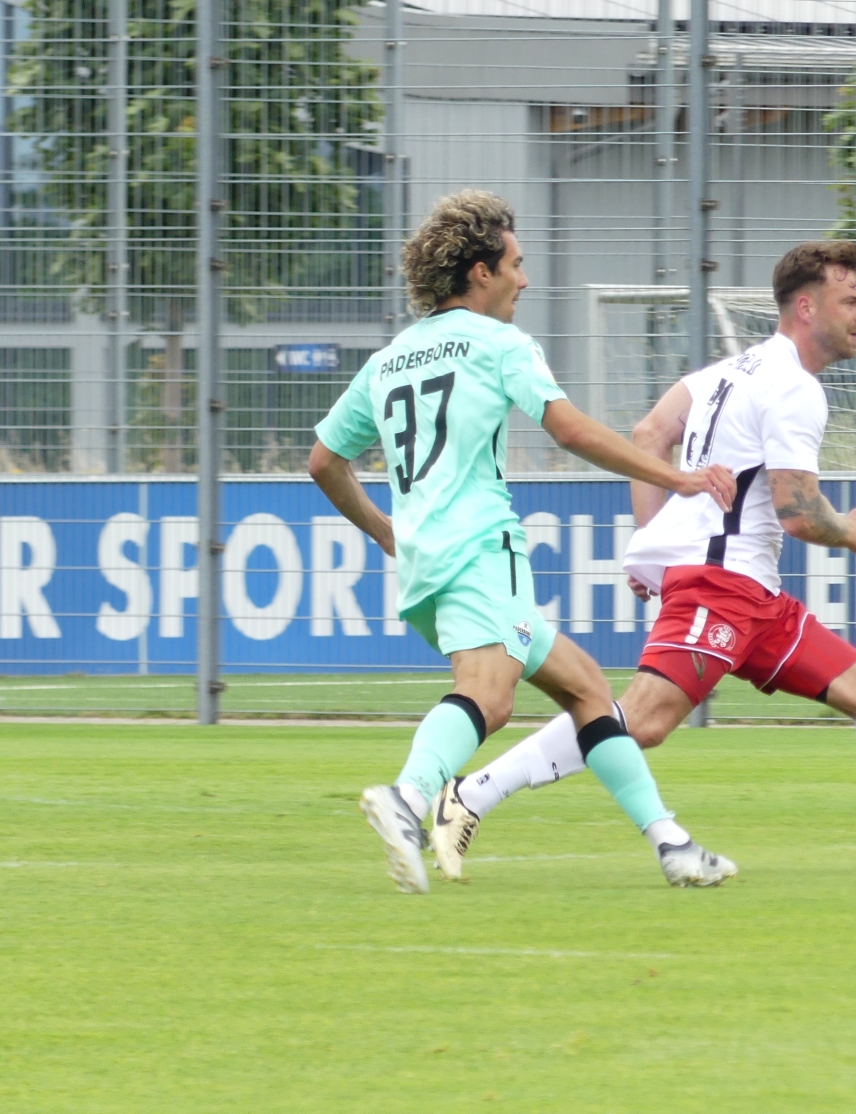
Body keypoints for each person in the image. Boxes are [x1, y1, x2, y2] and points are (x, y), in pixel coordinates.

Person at [436, 240, 856, 879]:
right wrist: (853, 533)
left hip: (753, 595)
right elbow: (798, 512)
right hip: (721, 588)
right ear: (807, 307)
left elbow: (649, 434)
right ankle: (471, 794)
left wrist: (659, 542)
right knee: (641, 719)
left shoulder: (727, 372)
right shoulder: (795, 389)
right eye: (851, 300)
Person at [308, 189, 740, 895]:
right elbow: (569, 429)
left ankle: (672, 845)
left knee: (587, 689)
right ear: (480, 272)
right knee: (491, 696)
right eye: (515, 264)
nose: (525, 279)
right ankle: (408, 798)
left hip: (425, 565)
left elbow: (324, 460)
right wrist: (676, 476)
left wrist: (386, 531)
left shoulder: (390, 359)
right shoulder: (499, 343)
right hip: (482, 553)